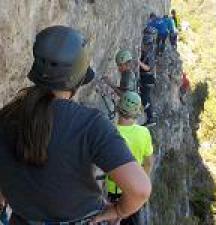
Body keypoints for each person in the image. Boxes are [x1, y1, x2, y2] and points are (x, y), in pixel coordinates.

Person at [0, 26, 151, 225]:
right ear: (78, 79)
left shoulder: (6, 116)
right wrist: (117, 211)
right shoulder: (90, 125)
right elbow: (140, 189)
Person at [106, 91, 154, 225]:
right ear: (137, 112)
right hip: (133, 189)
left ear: (118, 109)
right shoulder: (144, 133)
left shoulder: (109, 132)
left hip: (112, 189)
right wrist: (141, 182)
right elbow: (148, 163)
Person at [139, 35, 157, 126]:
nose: (143, 45)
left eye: (144, 44)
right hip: (147, 78)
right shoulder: (148, 52)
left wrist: (139, 63)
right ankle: (150, 117)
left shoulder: (150, 54)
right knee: (147, 98)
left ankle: (150, 118)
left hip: (148, 78)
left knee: (145, 99)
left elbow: (148, 68)